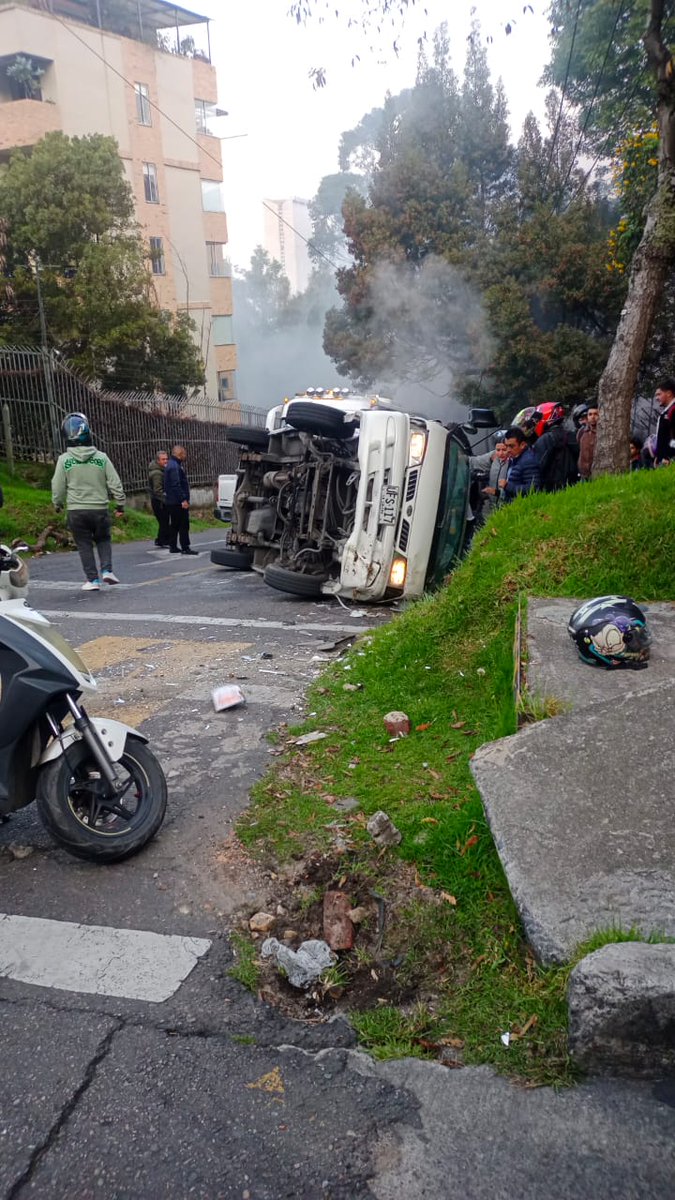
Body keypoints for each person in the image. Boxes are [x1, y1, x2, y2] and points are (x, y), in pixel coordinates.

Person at [51, 412, 125, 591]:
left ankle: (92, 580)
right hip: (99, 508)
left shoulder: (64, 460)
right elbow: (115, 482)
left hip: (76, 510)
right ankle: (107, 570)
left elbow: (58, 485)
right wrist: (120, 504)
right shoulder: (102, 457)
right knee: (103, 539)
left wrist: (58, 503)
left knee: (84, 544)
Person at [532, 403, 578, 492]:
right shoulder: (571, 434)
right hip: (574, 484)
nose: (536, 423)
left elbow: (539, 467)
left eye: (538, 420)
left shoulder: (544, 439)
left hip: (552, 488)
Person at [164, 444, 198, 556]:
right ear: (179, 454)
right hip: (177, 502)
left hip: (171, 501)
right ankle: (185, 547)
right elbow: (176, 485)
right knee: (183, 525)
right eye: (184, 454)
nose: (185, 455)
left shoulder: (171, 465)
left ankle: (173, 546)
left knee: (174, 524)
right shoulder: (175, 467)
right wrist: (183, 499)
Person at [468, 433, 510, 515]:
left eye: (504, 450)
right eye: (498, 450)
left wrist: (496, 492)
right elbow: (475, 461)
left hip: (507, 506)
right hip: (493, 506)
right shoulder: (493, 456)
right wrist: (461, 457)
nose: (500, 453)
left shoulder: (513, 463)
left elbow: (515, 489)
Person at [500, 426, 540, 500]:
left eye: (511, 446)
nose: (508, 450)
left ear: (522, 445)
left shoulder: (528, 461)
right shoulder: (515, 458)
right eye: (506, 446)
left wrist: (507, 486)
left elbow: (533, 489)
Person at [148, 450, 170, 547]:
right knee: (164, 521)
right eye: (163, 459)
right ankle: (162, 540)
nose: (166, 461)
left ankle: (161, 540)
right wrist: (166, 499)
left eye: (166, 459)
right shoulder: (157, 473)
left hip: (159, 500)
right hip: (159, 501)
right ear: (158, 460)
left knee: (164, 521)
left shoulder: (161, 470)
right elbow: (157, 490)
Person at [654, 377, 675, 465]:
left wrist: (672, 459)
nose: (656, 398)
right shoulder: (666, 411)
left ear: (669, 393)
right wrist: (658, 456)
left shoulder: (673, 410)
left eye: (659, 394)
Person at [578, 406, 599, 481]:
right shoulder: (582, 432)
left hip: (597, 473)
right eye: (590, 414)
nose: (593, 417)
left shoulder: (602, 433)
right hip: (583, 474)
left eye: (595, 414)